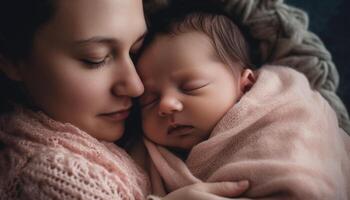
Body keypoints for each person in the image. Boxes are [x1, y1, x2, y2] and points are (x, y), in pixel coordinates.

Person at [0, 0, 250, 199]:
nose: (136, 86)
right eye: (95, 59)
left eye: (136, 51)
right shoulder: (51, 177)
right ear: (12, 59)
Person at [137, 4, 350, 199]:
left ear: (246, 84)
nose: (165, 105)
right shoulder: (146, 158)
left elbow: (306, 180)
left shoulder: (283, 112)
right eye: (149, 101)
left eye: (190, 87)